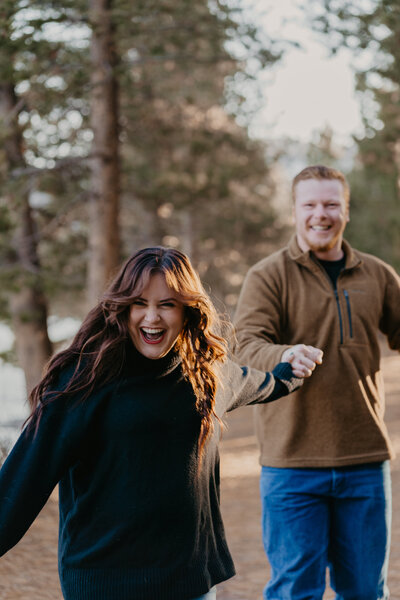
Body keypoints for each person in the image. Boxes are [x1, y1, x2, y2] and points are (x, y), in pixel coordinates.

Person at [0, 246, 319, 600]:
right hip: (106, 585)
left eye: (167, 304)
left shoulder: (206, 375)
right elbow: (20, 484)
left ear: (187, 311)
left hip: (191, 584)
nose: (152, 317)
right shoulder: (83, 383)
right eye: (140, 303)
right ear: (122, 308)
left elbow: (261, 383)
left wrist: (290, 371)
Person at [234, 165, 400, 600]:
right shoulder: (268, 275)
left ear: (346, 210)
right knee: (296, 591)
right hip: (291, 464)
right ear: (294, 211)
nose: (320, 214)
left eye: (330, 204)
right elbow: (246, 344)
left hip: (364, 458)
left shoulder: (378, 275)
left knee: (366, 591)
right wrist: (284, 355)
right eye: (310, 204)